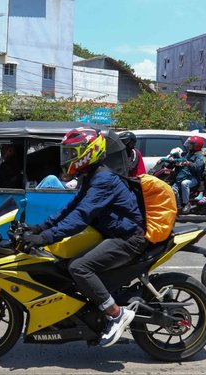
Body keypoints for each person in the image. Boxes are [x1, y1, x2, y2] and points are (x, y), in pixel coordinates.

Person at [22, 127, 146, 347]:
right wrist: (39, 228)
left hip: (128, 238)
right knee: (65, 262)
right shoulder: (92, 176)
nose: (68, 158)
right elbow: (71, 208)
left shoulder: (103, 179)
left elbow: (80, 217)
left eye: (72, 153)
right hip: (113, 233)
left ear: (88, 152)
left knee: (79, 267)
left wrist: (45, 238)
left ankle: (116, 314)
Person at [172, 136, 206, 214]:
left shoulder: (200, 156)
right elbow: (183, 160)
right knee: (173, 187)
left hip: (194, 177)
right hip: (185, 175)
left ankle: (186, 203)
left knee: (185, 183)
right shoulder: (189, 153)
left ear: (196, 145)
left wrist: (189, 163)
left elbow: (198, 167)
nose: (189, 145)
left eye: (191, 144)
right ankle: (177, 205)